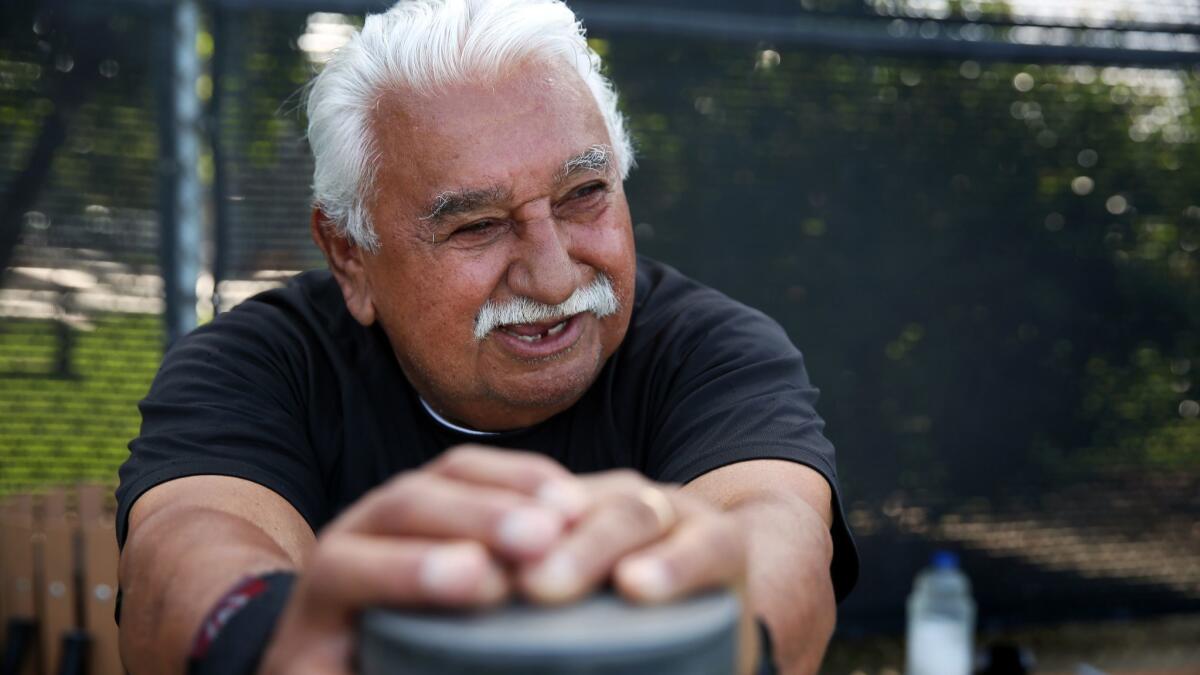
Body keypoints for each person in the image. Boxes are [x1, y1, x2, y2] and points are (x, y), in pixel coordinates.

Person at [115, 0, 858, 673]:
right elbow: (182, 551)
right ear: (349, 254)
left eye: (583, 196)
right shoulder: (256, 364)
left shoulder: (710, 349)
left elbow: (780, 527)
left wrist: (725, 637)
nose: (554, 276)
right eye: (475, 226)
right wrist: (278, 642)